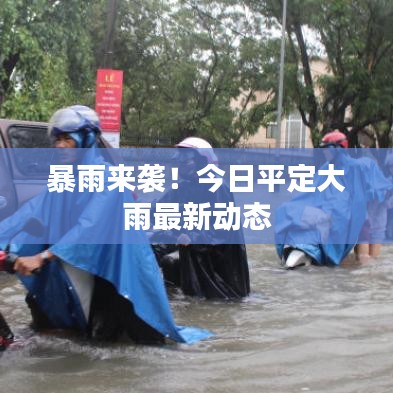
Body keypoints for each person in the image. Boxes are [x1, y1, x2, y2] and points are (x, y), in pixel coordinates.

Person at [0, 105, 211, 344]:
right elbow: (31, 212)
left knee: (123, 342)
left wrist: (42, 257)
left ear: (87, 140)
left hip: (117, 274)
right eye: (57, 139)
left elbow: (88, 227)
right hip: (83, 264)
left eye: (67, 139)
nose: (59, 146)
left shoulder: (109, 179)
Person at [151, 137, 250, 299]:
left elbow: (221, 232)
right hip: (193, 246)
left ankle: (195, 302)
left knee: (176, 257)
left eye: (187, 161)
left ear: (202, 161)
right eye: (180, 161)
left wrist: (192, 236)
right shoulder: (183, 186)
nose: (182, 165)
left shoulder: (218, 188)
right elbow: (157, 209)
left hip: (217, 261)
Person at [276, 130, 392, 269]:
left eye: (328, 149)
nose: (325, 152)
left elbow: (377, 190)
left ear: (339, 149)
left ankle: (368, 278)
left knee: (365, 257)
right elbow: (311, 191)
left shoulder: (360, 166)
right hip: (343, 217)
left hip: (363, 218)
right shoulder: (327, 168)